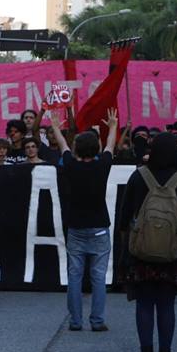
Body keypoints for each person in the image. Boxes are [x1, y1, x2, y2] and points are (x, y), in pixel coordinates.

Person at [119, 132, 177, 352]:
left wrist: (127, 252)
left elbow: (124, 219)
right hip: (174, 254)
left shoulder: (138, 177)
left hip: (141, 253)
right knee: (167, 305)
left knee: (144, 304)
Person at [49, 108, 119, 332]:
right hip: (99, 227)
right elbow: (110, 146)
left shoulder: (70, 165)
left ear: (78, 148)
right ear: (96, 148)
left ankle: (76, 321)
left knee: (75, 276)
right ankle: (97, 321)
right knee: (98, 277)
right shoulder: (103, 165)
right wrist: (113, 126)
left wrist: (55, 127)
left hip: (76, 227)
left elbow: (62, 145)